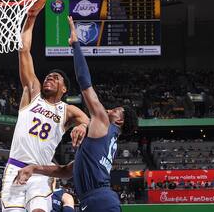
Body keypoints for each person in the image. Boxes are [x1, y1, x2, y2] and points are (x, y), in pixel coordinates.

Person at [14, 16, 138, 212]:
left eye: (114, 110)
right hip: (97, 200)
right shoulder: (104, 141)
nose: (108, 110)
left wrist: (75, 45)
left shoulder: (105, 122)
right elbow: (65, 171)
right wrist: (34, 168)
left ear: (120, 120)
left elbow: (84, 82)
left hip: (98, 199)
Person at [1, 10, 90, 212]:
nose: (50, 78)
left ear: (64, 89)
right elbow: (24, 50)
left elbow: (90, 123)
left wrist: (83, 125)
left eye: (55, 78)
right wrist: (31, 17)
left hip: (41, 171)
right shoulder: (33, 93)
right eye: (49, 76)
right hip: (15, 166)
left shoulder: (67, 110)